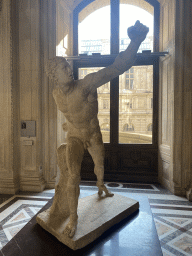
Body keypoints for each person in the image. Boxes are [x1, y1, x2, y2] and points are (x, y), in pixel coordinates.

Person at [45, 20, 149, 238]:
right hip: (74, 136)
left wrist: (136, 42)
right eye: (63, 67)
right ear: (54, 76)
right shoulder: (55, 94)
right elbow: (70, 114)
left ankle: (101, 184)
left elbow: (117, 68)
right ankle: (73, 219)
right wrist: (69, 124)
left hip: (92, 135)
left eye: (67, 64)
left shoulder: (85, 85)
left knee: (99, 166)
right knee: (74, 176)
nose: (69, 69)